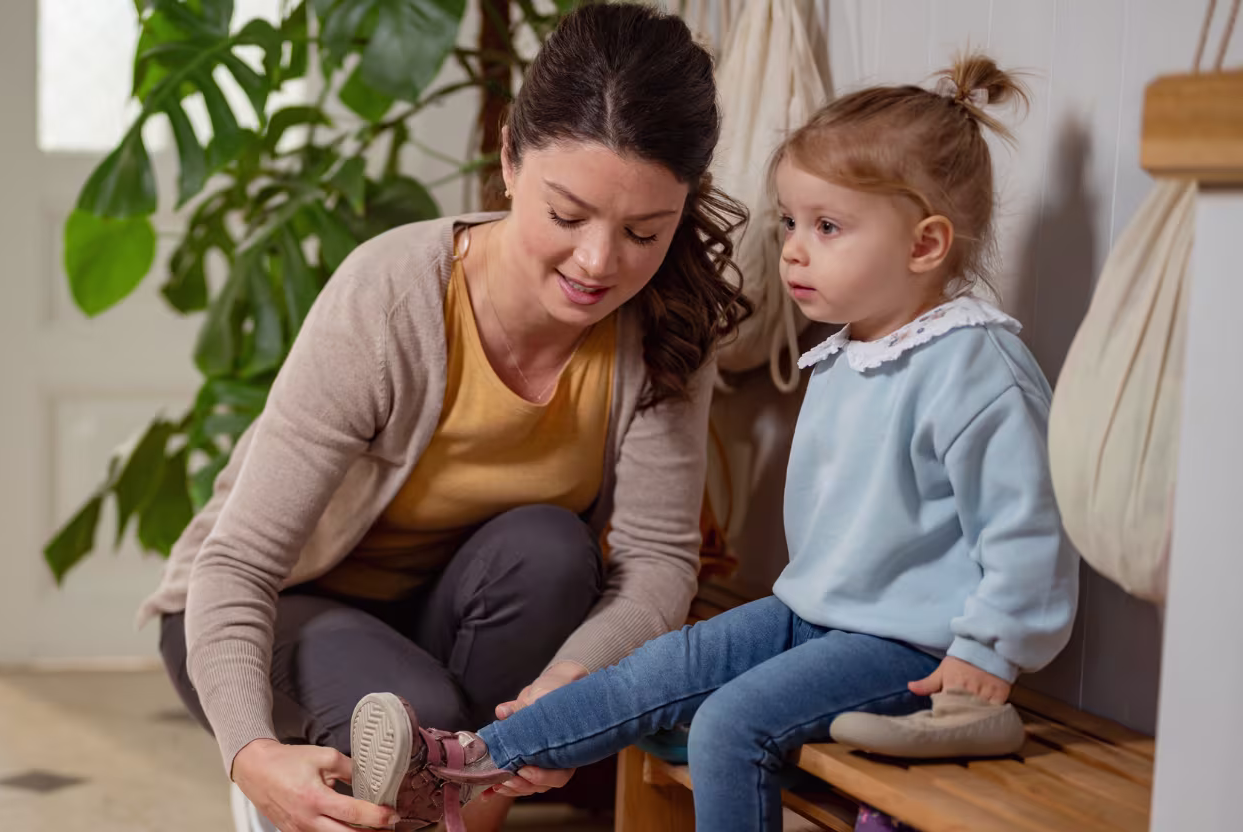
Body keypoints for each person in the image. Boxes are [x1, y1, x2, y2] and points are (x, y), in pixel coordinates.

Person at [347, 53, 1080, 832]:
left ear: (925, 245)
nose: (794, 248)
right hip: (818, 614)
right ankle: (464, 766)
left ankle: (476, 765)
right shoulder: (850, 351)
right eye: (791, 222)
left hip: (917, 649)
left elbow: (1028, 530)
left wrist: (989, 654)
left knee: (732, 725)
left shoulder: (974, 365)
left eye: (827, 227)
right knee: (659, 670)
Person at [134, 4, 750, 831]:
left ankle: (461, 799)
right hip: (277, 605)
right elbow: (238, 564)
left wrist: (573, 678)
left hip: (456, 609)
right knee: (414, 710)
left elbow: (655, 564)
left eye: (644, 231)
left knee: (549, 551)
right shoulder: (392, 295)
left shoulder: (668, 324)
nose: (599, 263)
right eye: (567, 217)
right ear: (507, 157)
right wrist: (251, 755)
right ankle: (365, 777)